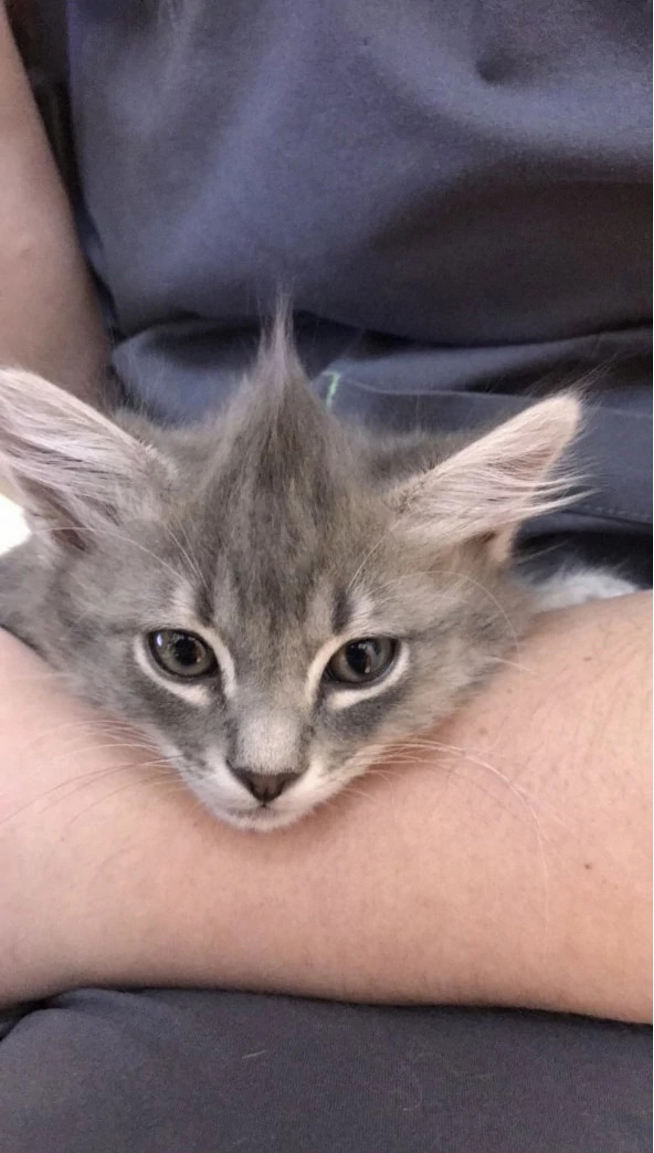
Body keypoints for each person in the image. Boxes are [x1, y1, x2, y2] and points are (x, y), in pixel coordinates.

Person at [0, 2, 651, 1150]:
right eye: (185, 654)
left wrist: (68, 862)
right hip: (167, 437)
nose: (265, 763)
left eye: (354, 663)